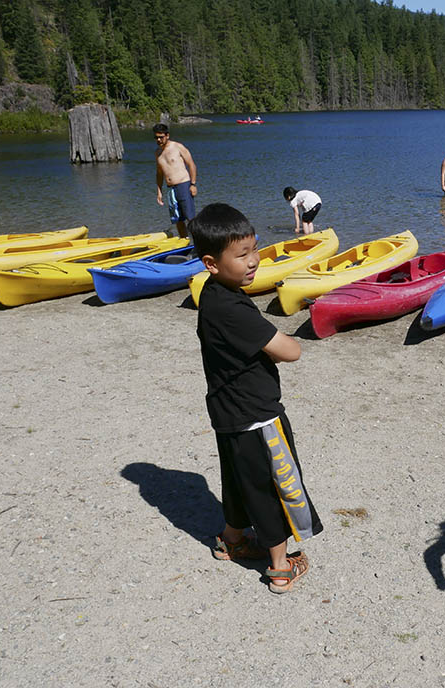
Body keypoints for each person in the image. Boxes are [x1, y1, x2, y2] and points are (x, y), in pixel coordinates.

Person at [190, 202, 323, 593]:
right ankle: (280, 567)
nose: (254, 261)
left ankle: (231, 540)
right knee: (272, 486)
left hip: (228, 411)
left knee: (237, 480)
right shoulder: (233, 308)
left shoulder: (213, 294)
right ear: (212, 263)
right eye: (242, 254)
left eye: (255, 249)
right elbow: (289, 351)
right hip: (257, 415)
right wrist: (292, 335)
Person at [153, 123, 198, 238]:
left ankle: (199, 244)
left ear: (167, 135)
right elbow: (159, 173)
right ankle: (184, 243)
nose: (158, 140)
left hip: (183, 185)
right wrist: (159, 191)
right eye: (156, 137)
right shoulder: (158, 153)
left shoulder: (177, 147)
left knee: (190, 217)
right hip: (171, 189)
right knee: (177, 219)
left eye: (161, 137)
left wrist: (193, 184)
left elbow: (191, 165)